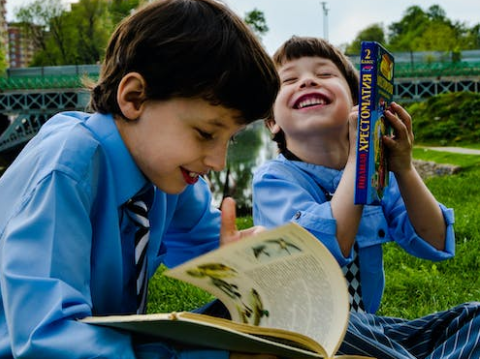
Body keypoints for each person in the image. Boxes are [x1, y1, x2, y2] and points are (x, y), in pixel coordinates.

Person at [0, 0, 280, 358]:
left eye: (231, 139)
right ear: (134, 98)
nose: (218, 161)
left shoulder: (166, 175)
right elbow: (46, 338)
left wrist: (248, 260)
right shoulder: (66, 169)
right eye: (206, 133)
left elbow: (212, 245)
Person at [252, 35, 455, 314]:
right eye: (288, 81)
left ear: (357, 105)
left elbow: (435, 240)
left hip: (366, 327)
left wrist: (405, 169)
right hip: (300, 328)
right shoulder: (273, 180)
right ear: (272, 121)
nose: (308, 81)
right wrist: (360, 158)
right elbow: (320, 255)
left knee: (473, 318)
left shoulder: (378, 173)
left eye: (325, 74)